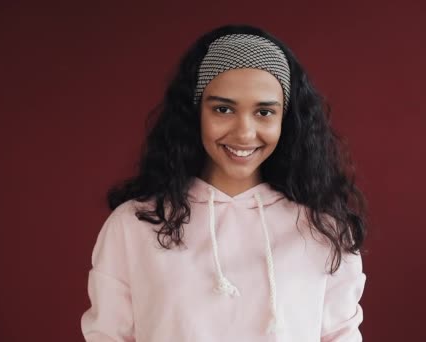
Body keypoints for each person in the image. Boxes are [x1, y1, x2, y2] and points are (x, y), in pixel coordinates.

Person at [81, 24, 367, 342]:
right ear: (195, 112)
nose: (244, 133)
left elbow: (341, 336)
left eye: (264, 112)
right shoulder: (134, 225)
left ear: (286, 119)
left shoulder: (324, 228)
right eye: (223, 109)